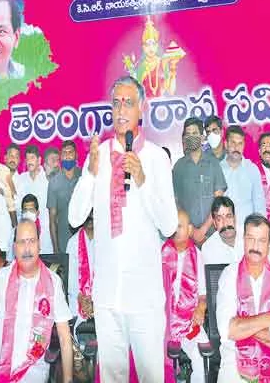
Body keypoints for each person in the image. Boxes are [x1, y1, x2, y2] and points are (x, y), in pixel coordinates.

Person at [68, 75, 178, 381]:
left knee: (150, 375)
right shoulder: (99, 155)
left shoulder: (155, 158)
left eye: (128, 103)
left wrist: (142, 181)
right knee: (112, 376)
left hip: (143, 294)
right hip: (107, 295)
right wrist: (89, 174)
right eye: (116, 103)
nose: (121, 109)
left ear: (141, 109)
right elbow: (75, 217)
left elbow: (169, 225)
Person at [0, 219, 73, 382]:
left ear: (39, 245)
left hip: (31, 368)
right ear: (14, 247)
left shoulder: (53, 282)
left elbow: (65, 338)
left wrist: (68, 380)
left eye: (32, 241)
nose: (27, 248)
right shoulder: (0, 277)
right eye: (22, 242)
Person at [216, 214, 270, 382]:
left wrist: (243, 325)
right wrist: (267, 319)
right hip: (234, 361)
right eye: (251, 239)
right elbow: (227, 330)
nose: (255, 246)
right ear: (243, 239)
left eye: (261, 240)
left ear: (269, 245)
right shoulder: (229, 275)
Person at [161, 209, 207, 383]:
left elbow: (202, 294)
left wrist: (201, 309)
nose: (175, 229)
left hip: (189, 321)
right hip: (163, 321)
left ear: (189, 230)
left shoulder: (198, 256)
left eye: (179, 226)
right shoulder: (160, 252)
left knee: (201, 358)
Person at [173, 117, 226, 245]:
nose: (191, 137)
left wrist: (203, 230)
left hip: (213, 235)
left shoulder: (213, 163)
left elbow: (218, 200)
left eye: (195, 133)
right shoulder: (179, 166)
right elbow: (175, 202)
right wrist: (191, 230)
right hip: (187, 236)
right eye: (188, 134)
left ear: (202, 138)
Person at [220, 125, 266, 225]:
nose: (236, 147)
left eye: (240, 143)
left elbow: (259, 205)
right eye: (233, 143)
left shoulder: (252, 169)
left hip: (248, 232)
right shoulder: (218, 169)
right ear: (226, 144)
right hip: (224, 230)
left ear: (244, 145)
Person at [48, 140, 81, 254]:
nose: (67, 156)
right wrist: (56, 250)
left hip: (84, 239)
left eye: (70, 152)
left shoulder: (84, 177)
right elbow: (52, 220)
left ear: (76, 155)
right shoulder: (54, 182)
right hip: (63, 243)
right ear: (61, 157)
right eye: (64, 153)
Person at [15, 145, 50, 234]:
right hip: (26, 230)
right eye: (27, 159)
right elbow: (18, 206)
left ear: (39, 160)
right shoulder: (21, 179)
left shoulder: (48, 179)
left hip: (45, 231)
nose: (29, 161)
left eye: (32, 158)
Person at [201, 196, 244, 265]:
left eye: (228, 216)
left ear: (235, 218)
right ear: (214, 224)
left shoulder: (250, 236)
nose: (225, 223)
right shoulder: (208, 249)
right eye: (219, 219)